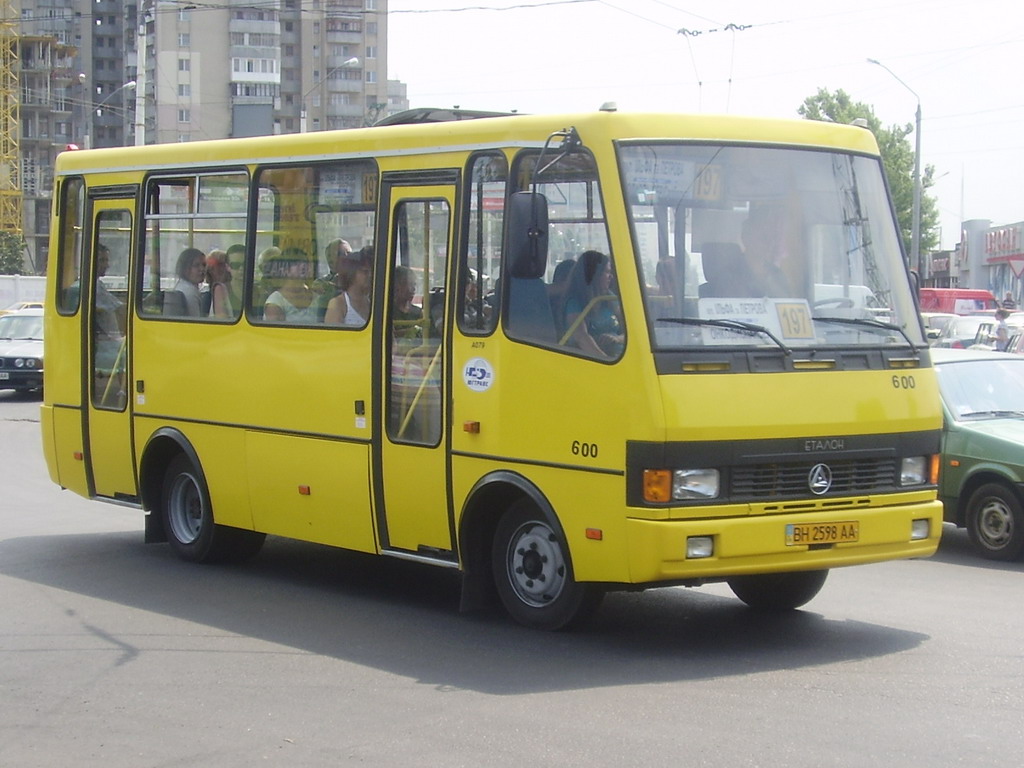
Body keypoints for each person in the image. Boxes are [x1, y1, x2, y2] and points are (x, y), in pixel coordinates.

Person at [562, 250, 624, 358]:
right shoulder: (574, 302)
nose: (611, 277)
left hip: (621, 356)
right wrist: (607, 361)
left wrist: (617, 339)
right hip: (595, 361)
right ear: (594, 274)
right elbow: (581, 337)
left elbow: (630, 331)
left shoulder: (610, 298)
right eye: (607, 272)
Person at [740, 206, 795, 298]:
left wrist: (768, 279)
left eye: (772, 238)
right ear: (746, 238)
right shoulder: (730, 276)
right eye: (764, 237)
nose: (769, 243)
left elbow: (787, 303)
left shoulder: (777, 275)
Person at [264, 248, 319, 323]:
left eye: (305, 262)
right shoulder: (276, 302)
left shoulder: (317, 297)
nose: (303, 266)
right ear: (285, 270)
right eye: (296, 263)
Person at [324, 245, 373, 326]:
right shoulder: (338, 304)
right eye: (365, 271)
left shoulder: (371, 303)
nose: (370, 275)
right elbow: (332, 337)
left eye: (372, 271)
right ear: (352, 273)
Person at [173, 247, 207, 316]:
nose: (202, 269)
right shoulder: (190, 292)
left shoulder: (182, 286)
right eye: (196, 265)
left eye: (204, 265)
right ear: (185, 268)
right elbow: (196, 321)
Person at [205, 249, 235, 319]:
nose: (219, 269)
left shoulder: (235, 289)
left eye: (221, 265)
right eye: (212, 268)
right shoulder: (206, 294)